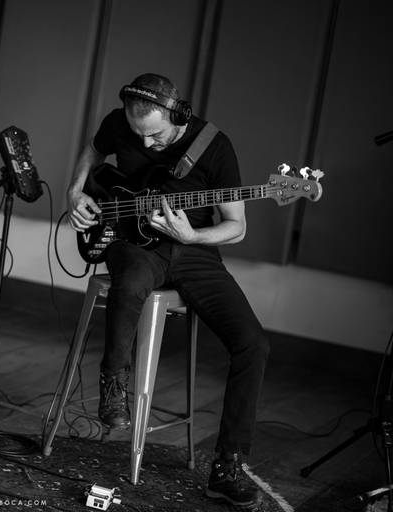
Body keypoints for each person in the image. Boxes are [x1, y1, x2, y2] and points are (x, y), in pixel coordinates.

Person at [67, 73, 268, 508]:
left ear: (178, 115)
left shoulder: (215, 147)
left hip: (194, 251)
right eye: (138, 134)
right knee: (131, 281)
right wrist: (76, 190)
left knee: (253, 344)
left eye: (155, 135)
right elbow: (94, 149)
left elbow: (236, 227)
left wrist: (192, 236)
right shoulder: (118, 123)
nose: (147, 143)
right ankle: (113, 382)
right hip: (134, 245)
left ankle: (228, 467)